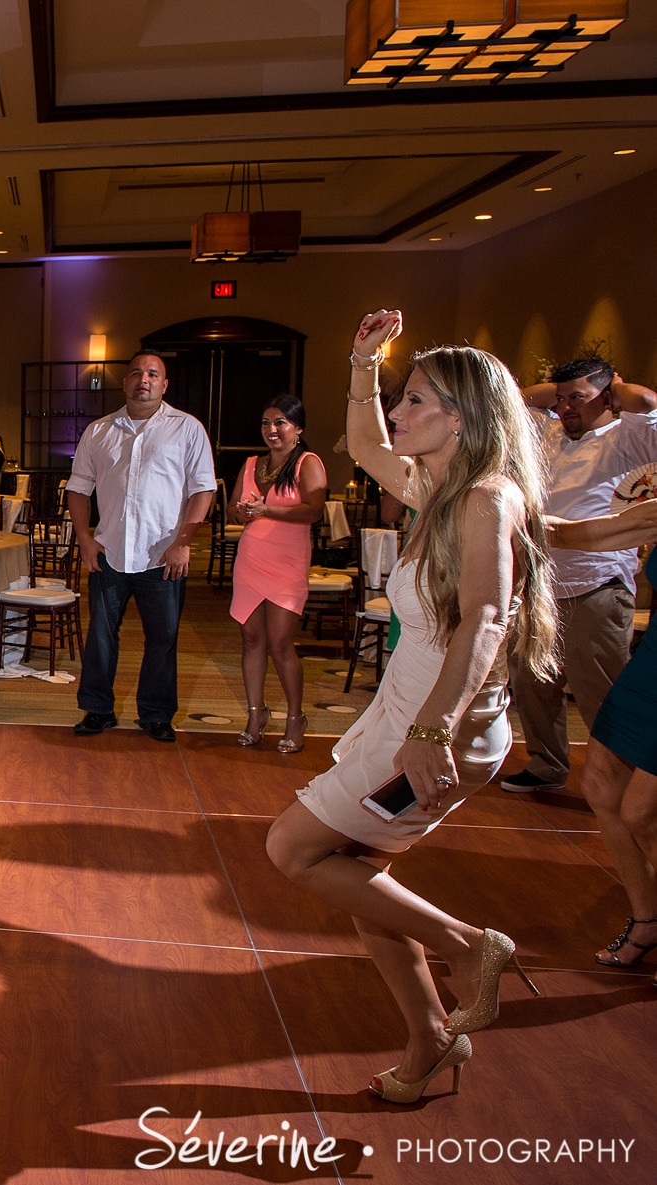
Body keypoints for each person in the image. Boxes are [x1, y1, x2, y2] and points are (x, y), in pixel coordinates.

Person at [266, 309, 556, 1104]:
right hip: (413, 714)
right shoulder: (440, 484)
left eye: (415, 399)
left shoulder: (488, 499)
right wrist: (363, 363)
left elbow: (487, 619)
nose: (398, 413)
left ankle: (471, 946)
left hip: (433, 725)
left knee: (292, 849)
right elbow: (365, 445)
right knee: (360, 876)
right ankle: (430, 1038)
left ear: (462, 415)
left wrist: (431, 730)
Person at [500, 359, 657, 793]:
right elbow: (516, 399)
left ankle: (624, 784)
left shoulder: (629, 437)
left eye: (578, 399)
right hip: (541, 586)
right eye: (562, 398)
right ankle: (547, 766)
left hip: (597, 588)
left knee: (602, 694)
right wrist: (564, 393)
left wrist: (617, 386)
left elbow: (645, 401)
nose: (566, 407)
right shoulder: (548, 433)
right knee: (533, 683)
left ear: (607, 398)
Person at [67, 351, 215, 743]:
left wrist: (183, 543)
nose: (143, 380)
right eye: (136, 373)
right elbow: (78, 489)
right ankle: (97, 709)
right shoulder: (99, 431)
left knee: (163, 639)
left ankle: (155, 714)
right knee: (100, 636)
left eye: (152, 374)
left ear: (164, 385)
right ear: (125, 381)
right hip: (109, 553)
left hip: (163, 556)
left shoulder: (187, 429)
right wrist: (85, 539)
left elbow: (203, 491)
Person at [545, 495, 657, 977]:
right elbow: (583, 535)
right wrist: (500, 505)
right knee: (601, 788)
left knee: (642, 813)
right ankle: (648, 921)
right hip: (653, 664)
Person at [229, 396, 328, 754]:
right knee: (252, 640)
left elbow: (314, 511)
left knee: (281, 643)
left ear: (298, 428)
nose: (271, 430)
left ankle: (294, 717)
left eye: (280, 423)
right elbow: (232, 512)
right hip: (251, 560)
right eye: (266, 423)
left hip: (287, 563)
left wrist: (266, 509)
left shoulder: (307, 462)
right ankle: (257, 714)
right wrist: (241, 512)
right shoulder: (252, 462)